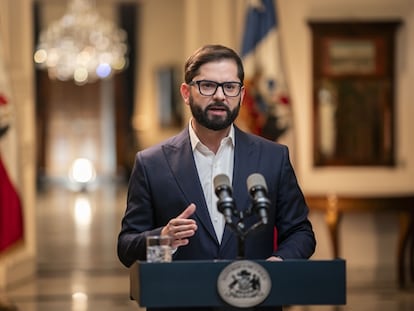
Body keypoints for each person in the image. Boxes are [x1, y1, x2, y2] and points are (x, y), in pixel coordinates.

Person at [117, 44, 316, 311]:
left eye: (230, 86)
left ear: (242, 94)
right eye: (207, 86)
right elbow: (126, 246)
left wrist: (278, 263)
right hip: (179, 303)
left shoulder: (273, 157)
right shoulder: (151, 163)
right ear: (186, 93)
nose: (220, 96)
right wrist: (161, 238)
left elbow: (301, 232)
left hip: (254, 300)